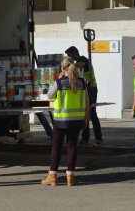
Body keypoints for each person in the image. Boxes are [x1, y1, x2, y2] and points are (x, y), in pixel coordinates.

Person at [41, 57, 90, 186]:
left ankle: (52, 176)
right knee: (72, 146)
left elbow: (49, 95)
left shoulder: (59, 82)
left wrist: (58, 78)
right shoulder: (82, 83)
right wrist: (86, 120)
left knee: (56, 147)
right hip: (77, 120)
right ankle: (70, 177)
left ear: (63, 68)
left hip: (60, 120)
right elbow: (86, 104)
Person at [65, 46, 103, 145]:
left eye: (69, 55)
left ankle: (98, 138)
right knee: (85, 115)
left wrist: (67, 66)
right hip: (85, 89)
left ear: (74, 53)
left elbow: (76, 66)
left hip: (91, 89)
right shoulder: (79, 61)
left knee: (92, 114)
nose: (69, 57)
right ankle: (85, 139)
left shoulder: (83, 60)